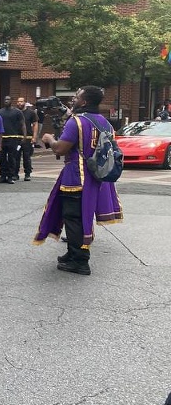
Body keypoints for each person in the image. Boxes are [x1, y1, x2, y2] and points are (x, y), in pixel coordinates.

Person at [34, 86, 123, 275]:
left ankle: (80, 260)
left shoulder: (77, 122)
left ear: (84, 102)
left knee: (74, 218)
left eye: (76, 97)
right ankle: (72, 253)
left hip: (76, 176)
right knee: (81, 216)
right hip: (96, 178)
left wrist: (49, 139)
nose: (73, 99)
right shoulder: (105, 123)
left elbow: (60, 149)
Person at [0, 96, 26, 183]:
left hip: (13, 138)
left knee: (12, 158)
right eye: (5, 99)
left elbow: (23, 124)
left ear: (11, 101)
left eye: (8, 99)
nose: (6, 101)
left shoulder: (17, 112)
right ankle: (2, 176)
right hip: (2, 138)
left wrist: (24, 136)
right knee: (2, 158)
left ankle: (10, 176)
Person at [16, 97, 39, 181]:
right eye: (18, 102)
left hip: (28, 138)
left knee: (27, 157)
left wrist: (34, 137)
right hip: (17, 137)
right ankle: (15, 174)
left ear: (25, 102)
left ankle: (27, 173)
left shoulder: (31, 113)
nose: (19, 103)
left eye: (21, 101)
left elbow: (35, 124)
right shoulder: (15, 112)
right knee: (16, 157)